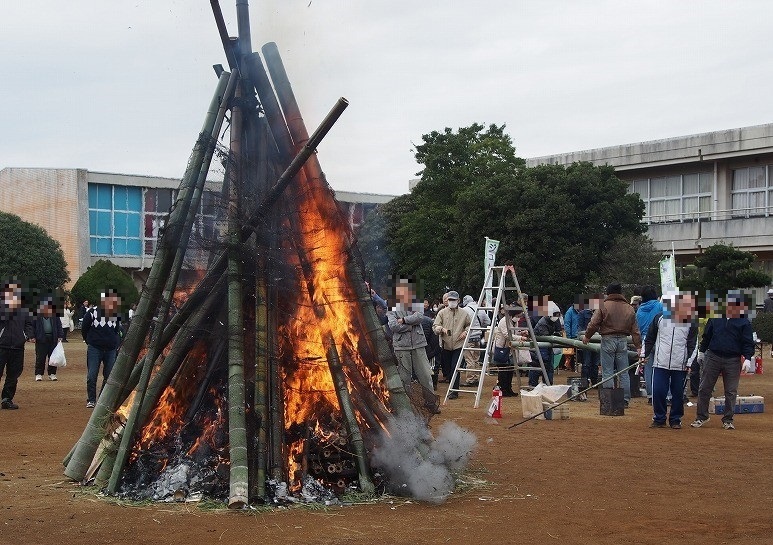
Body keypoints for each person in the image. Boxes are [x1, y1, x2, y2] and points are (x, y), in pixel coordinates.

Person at [692, 291, 755, 430]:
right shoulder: (715, 318)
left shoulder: (744, 321)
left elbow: (747, 342)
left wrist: (748, 358)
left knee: (731, 391)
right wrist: (702, 351)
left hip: (733, 359)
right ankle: (701, 416)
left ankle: (728, 419)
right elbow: (706, 336)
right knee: (704, 388)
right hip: (713, 356)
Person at [644, 293, 698, 429]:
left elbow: (693, 344)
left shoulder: (690, 322)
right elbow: (649, 338)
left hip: (680, 364)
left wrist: (690, 362)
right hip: (660, 362)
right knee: (659, 391)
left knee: (678, 393)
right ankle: (659, 418)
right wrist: (644, 355)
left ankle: (675, 419)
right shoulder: (659, 318)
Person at [582, 282, 642, 408]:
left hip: (607, 339)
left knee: (608, 371)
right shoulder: (629, 308)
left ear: (608, 293)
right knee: (623, 372)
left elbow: (593, 323)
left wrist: (587, 336)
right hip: (623, 340)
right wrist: (638, 346)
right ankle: (625, 400)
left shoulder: (603, 305)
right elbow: (635, 330)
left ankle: (609, 398)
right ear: (621, 293)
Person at [387, 278, 439, 414]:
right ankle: (408, 406)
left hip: (418, 344)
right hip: (401, 347)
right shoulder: (391, 308)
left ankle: (430, 403)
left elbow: (420, 317)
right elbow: (393, 326)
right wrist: (409, 326)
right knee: (405, 378)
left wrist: (404, 320)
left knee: (426, 375)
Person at [83, 289, 123, 408]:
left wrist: (116, 344)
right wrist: (89, 341)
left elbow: (117, 331)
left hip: (110, 350)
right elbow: (84, 329)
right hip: (95, 348)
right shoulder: (92, 312)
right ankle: (91, 399)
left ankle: (102, 399)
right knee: (92, 374)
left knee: (109, 375)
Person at [0, 281, 34, 410]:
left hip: (18, 346)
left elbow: (29, 324)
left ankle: (7, 399)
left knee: (13, 375)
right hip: (2, 345)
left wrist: (26, 336)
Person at [432, 291, 471, 399]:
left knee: (455, 367)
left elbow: (469, 325)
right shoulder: (442, 313)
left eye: (453, 300)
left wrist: (466, 332)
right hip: (445, 345)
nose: (451, 302)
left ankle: (454, 391)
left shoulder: (464, 313)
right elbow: (435, 326)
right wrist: (441, 329)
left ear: (458, 300)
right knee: (448, 369)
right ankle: (451, 386)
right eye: (450, 300)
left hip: (459, 344)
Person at [493, 304, 529, 396]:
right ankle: (503, 390)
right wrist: (521, 338)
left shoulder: (514, 321)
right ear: (513, 314)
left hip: (510, 348)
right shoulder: (504, 321)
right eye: (517, 316)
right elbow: (507, 335)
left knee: (510, 370)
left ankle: (508, 389)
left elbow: (514, 332)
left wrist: (521, 332)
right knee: (503, 371)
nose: (518, 318)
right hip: (501, 348)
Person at [636, 286, 663, 404]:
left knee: (648, 369)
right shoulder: (659, 306)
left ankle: (650, 395)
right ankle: (663, 395)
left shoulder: (640, 310)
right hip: (659, 340)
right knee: (661, 369)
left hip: (645, 341)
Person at [529, 300, 563, 387]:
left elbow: (559, 330)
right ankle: (533, 385)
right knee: (537, 366)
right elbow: (545, 336)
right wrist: (554, 337)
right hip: (539, 346)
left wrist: (557, 334)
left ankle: (548, 384)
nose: (556, 317)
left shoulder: (555, 320)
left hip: (548, 347)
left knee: (549, 367)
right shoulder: (542, 322)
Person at [461, 294, 491, 387]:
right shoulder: (480, 309)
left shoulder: (464, 310)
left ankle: (470, 379)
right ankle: (476, 378)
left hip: (468, 337)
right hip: (478, 336)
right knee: (476, 358)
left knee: (469, 359)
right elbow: (488, 322)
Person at [33, 297, 64, 381]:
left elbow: (59, 325)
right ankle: (39, 374)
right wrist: (32, 336)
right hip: (41, 339)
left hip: (53, 339)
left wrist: (60, 335)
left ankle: (52, 373)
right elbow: (32, 326)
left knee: (53, 357)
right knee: (40, 357)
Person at [577, 295, 600, 387]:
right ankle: (584, 382)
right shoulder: (582, 314)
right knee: (586, 363)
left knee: (595, 364)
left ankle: (595, 382)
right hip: (587, 342)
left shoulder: (601, 314)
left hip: (597, 342)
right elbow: (580, 328)